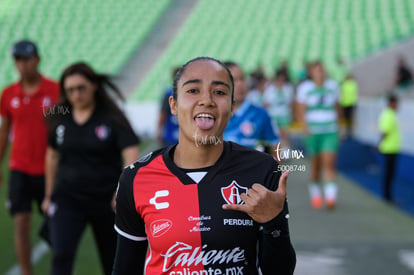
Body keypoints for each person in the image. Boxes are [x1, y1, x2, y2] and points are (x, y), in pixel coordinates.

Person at [112, 57, 296, 275]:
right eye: (193, 91)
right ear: (173, 104)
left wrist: (274, 224)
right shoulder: (137, 178)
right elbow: (125, 269)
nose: (206, 100)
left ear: (231, 105)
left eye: (219, 92)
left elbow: (280, 271)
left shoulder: (263, 170)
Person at [41, 62, 140, 275]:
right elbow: (52, 155)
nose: (76, 94)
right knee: (61, 256)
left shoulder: (111, 117)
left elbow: (131, 153)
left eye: (81, 88)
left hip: (107, 201)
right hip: (67, 198)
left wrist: (122, 192)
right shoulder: (59, 117)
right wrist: (49, 194)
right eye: (70, 90)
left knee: (113, 262)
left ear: (94, 86)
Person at [0, 39, 59, 275]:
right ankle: (27, 272)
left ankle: (61, 268)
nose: (23, 65)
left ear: (37, 59)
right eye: (18, 60)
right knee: (21, 223)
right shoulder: (8, 95)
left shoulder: (55, 91)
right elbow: (5, 129)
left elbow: (64, 126)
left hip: (50, 169)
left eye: (27, 59)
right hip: (20, 167)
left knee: (57, 227)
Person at [296, 61, 341, 210]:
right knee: (315, 167)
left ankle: (330, 198)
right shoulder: (305, 88)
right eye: (317, 70)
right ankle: (316, 195)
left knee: (329, 163)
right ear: (312, 73)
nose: (320, 72)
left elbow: (337, 107)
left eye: (322, 70)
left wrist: (339, 126)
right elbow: (300, 109)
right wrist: (304, 127)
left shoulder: (333, 86)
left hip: (330, 131)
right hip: (313, 132)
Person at [223, 61, 279, 157]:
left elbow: (274, 149)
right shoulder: (213, 115)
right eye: (233, 80)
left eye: (242, 79)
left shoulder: (261, 114)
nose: (240, 84)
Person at [378, 94, 401, 203]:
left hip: (391, 148)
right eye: (397, 103)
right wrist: (379, 144)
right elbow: (385, 132)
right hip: (389, 149)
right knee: (389, 174)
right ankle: (387, 197)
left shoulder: (389, 114)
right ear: (392, 103)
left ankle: (387, 196)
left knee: (389, 173)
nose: (398, 106)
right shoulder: (388, 115)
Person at [263, 70, 294, 148]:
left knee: (285, 135)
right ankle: (277, 151)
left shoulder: (288, 88)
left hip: (285, 116)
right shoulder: (270, 89)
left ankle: (285, 151)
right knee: (276, 135)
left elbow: (291, 103)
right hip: (274, 116)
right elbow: (266, 103)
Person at [156, 67, 180, 146]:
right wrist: (159, 129)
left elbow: (163, 113)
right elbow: (163, 112)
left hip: (174, 136)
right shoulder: (169, 93)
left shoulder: (169, 92)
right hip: (172, 136)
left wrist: (159, 130)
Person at [339, 74, 358, 138]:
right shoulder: (344, 84)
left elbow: (354, 93)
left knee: (350, 118)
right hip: (344, 104)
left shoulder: (353, 84)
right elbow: (341, 94)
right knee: (344, 118)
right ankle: (344, 132)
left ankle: (350, 132)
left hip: (351, 104)